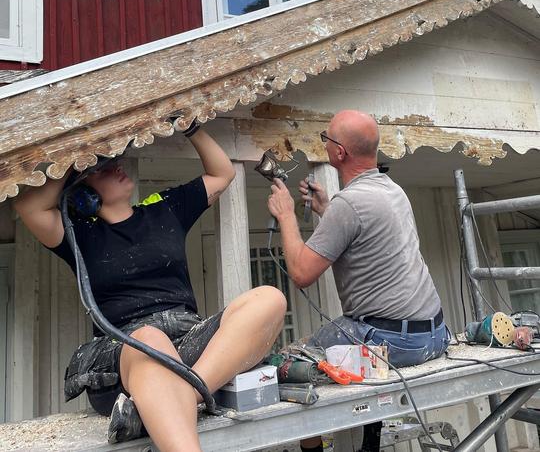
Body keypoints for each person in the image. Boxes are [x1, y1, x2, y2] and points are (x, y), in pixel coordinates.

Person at [15, 125, 286, 452]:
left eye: (112, 162)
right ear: (85, 194)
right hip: (124, 353)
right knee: (149, 339)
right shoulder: (80, 234)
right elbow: (30, 208)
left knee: (269, 298)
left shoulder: (164, 209)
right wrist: (75, 161)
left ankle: (186, 394)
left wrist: (191, 128)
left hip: (186, 341)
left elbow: (221, 174)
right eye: (99, 169)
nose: (115, 166)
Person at [267, 110, 449, 452]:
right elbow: (366, 235)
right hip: (434, 335)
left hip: (391, 343)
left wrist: (286, 214)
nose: (324, 144)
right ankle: (370, 442)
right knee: (351, 335)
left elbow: (302, 274)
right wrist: (327, 211)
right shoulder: (394, 191)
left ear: (339, 152)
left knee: (292, 363)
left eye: (326, 139)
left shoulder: (349, 204)